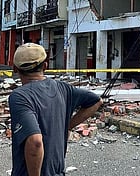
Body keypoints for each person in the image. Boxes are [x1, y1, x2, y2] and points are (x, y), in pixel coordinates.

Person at [9, 43, 102, 176]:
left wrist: (67, 126)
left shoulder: (19, 96)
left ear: (15, 69)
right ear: (45, 66)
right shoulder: (63, 88)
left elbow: (35, 141)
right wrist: (68, 126)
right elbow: (97, 101)